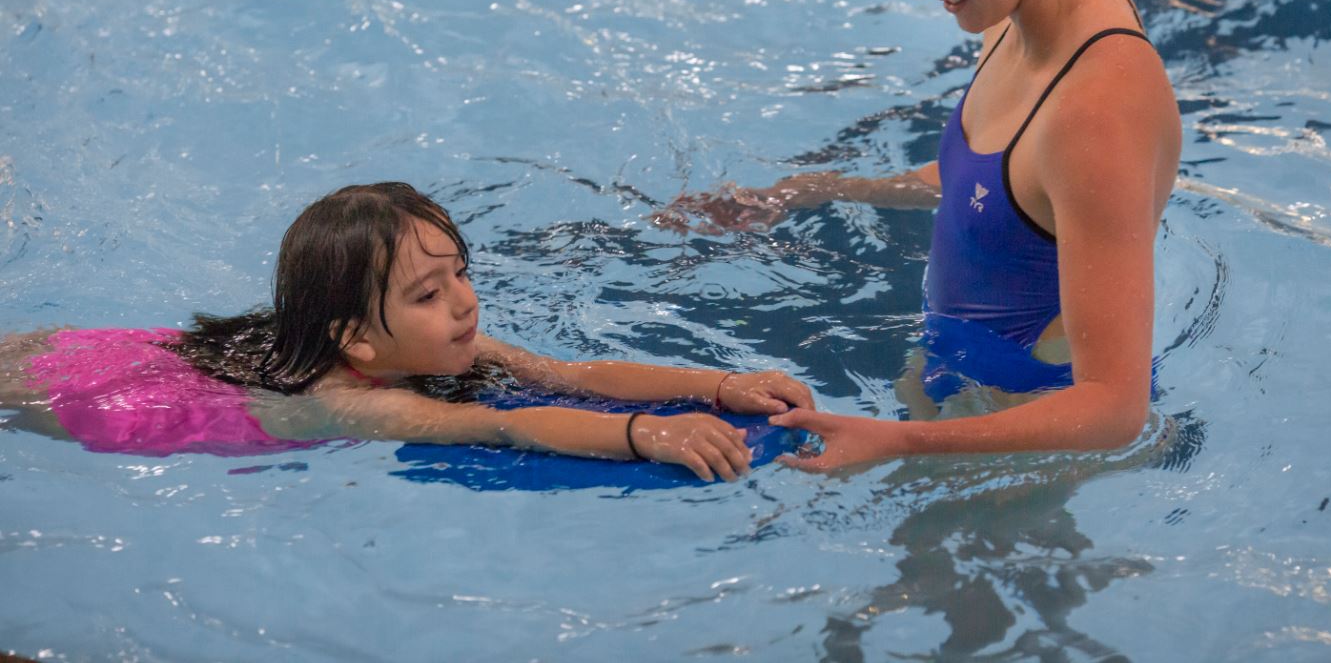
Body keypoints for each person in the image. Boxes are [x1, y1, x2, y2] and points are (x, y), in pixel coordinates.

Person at [655, 0, 1181, 470]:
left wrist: (896, 439)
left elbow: (1114, 406)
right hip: (960, 378)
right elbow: (1004, 192)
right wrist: (816, 191)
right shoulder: (1017, 11)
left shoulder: (1098, 106)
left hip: (1023, 428)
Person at [1, 182, 813, 481]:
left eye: (460, 273)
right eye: (430, 291)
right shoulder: (357, 401)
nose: (463, 302)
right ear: (357, 339)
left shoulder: (421, 340)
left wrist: (713, 385)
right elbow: (508, 422)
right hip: (92, 394)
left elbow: (571, 373)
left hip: (129, 350)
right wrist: (647, 436)